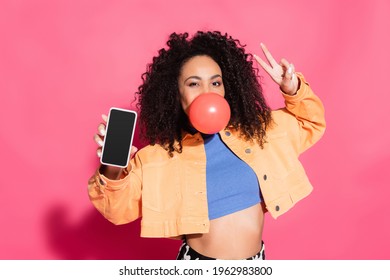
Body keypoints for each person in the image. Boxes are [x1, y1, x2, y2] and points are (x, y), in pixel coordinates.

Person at [88, 31, 326, 260]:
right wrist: (112, 166)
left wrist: (293, 89)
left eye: (215, 83)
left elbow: (310, 123)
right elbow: (116, 210)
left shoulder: (259, 133)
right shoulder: (159, 157)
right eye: (193, 84)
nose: (207, 93)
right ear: (175, 94)